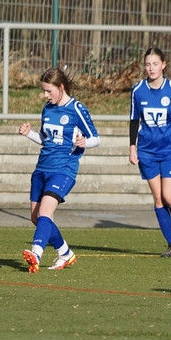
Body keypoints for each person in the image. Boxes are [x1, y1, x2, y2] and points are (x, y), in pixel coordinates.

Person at [19, 66, 100, 272]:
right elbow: (46, 139)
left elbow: (95, 138)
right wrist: (29, 134)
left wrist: (84, 142)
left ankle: (36, 253)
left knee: (45, 212)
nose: (45, 95)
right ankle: (65, 253)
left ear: (61, 87)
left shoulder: (76, 109)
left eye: (49, 90)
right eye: (44, 90)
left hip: (64, 169)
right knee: (37, 218)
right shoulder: (47, 108)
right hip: (41, 168)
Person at [129, 47, 171, 257]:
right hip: (147, 151)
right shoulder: (138, 90)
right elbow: (134, 120)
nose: (151, 68)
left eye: (155, 64)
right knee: (158, 198)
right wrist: (132, 147)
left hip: (169, 150)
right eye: (148, 64)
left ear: (163, 65)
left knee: (169, 196)